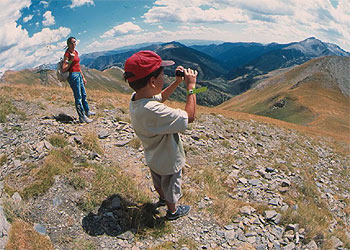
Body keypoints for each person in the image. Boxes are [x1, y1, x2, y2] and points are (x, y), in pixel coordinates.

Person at [124, 50, 198, 220]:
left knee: (159, 182)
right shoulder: (154, 111)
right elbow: (190, 116)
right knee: (172, 185)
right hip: (169, 159)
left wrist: (177, 82)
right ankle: (172, 211)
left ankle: (162, 199)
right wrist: (191, 88)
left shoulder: (136, 98)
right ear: (152, 81)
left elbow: (159, 97)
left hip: (153, 156)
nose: (164, 78)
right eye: (162, 75)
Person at [62, 36, 95, 123]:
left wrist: (83, 77)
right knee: (78, 96)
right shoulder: (67, 54)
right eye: (71, 43)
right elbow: (64, 68)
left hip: (78, 75)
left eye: (74, 42)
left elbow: (78, 66)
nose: (73, 44)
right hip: (73, 76)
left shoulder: (75, 52)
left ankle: (87, 111)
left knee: (83, 94)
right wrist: (70, 60)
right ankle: (82, 117)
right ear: (68, 44)